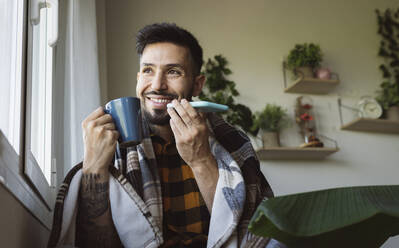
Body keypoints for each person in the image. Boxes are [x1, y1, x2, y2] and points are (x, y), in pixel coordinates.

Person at [47, 23, 282, 248]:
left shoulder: (233, 142)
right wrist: (94, 169)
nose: (157, 85)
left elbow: (252, 234)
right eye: (148, 70)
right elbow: (97, 244)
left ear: (197, 85)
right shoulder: (113, 144)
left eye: (173, 71)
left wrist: (201, 160)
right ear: (139, 79)